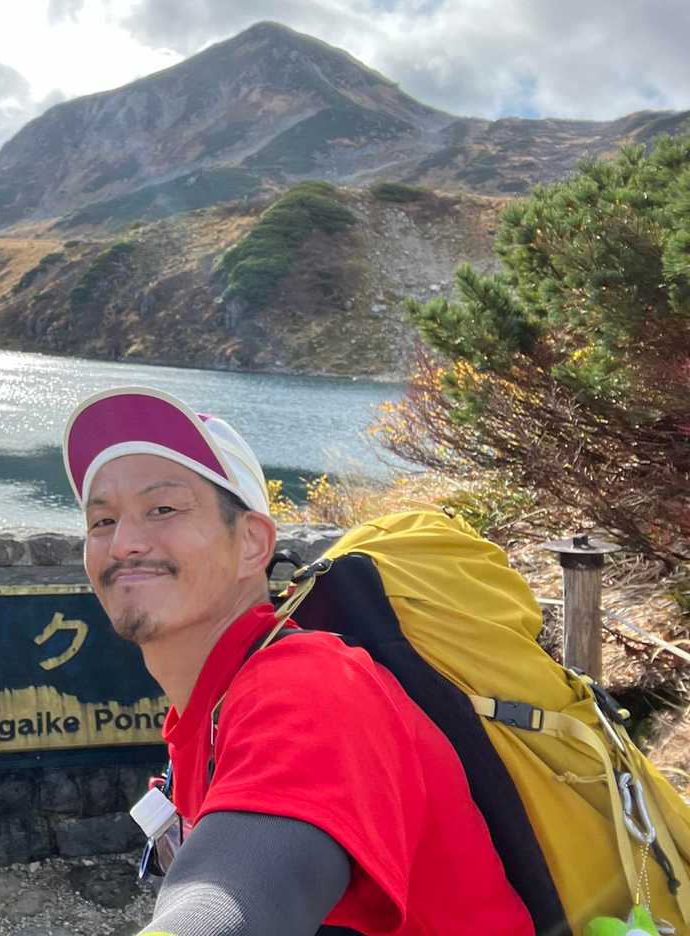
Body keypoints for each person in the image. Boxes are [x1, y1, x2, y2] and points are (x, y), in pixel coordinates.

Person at [61, 387, 535, 935]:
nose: (123, 543)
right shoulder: (211, 707)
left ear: (252, 543)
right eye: (102, 521)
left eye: (162, 509)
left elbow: (232, 902)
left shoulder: (311, 687)